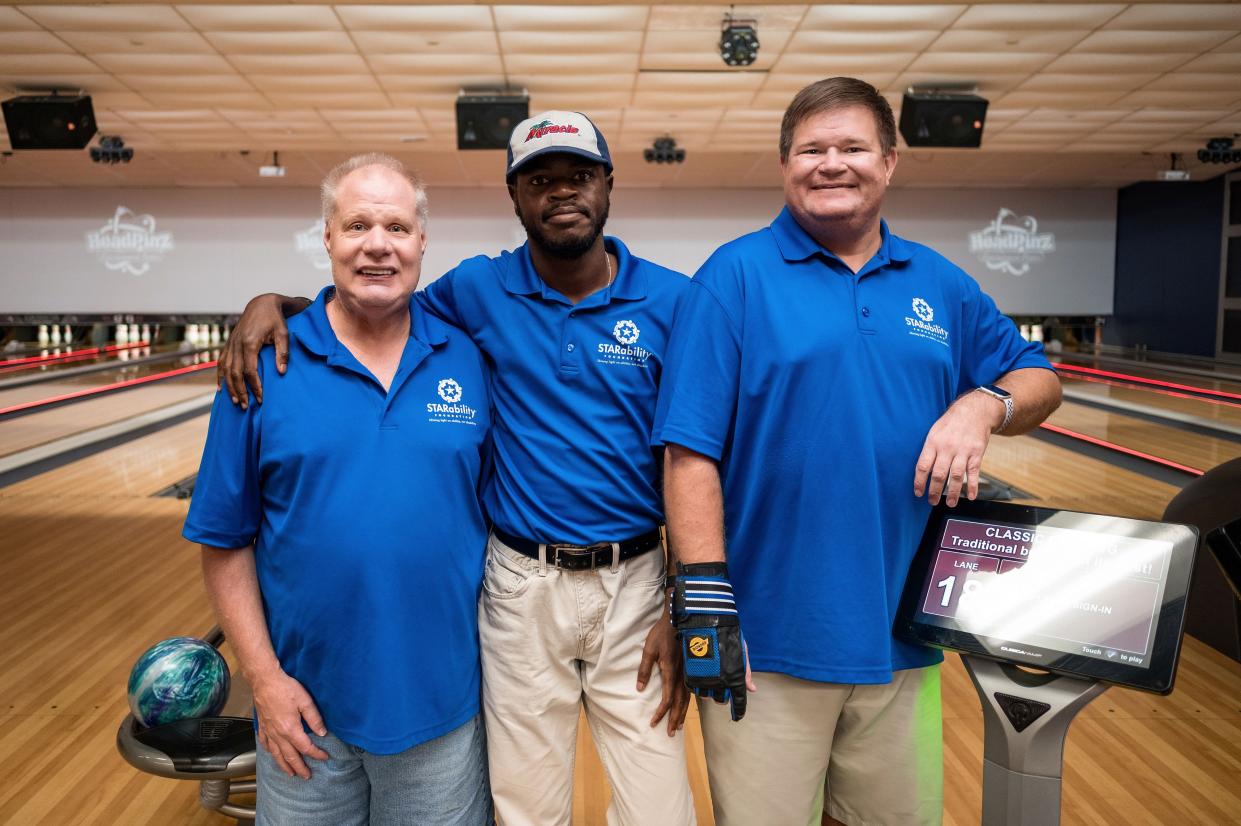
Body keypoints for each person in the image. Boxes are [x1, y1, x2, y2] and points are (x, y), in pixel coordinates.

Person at [217, 113, 696, 826]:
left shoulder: (674, 302)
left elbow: (693, 457)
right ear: (513, 194)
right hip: (520, 585)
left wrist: (680, 600)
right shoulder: (474, 291)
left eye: (578, 176)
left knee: (662, 809)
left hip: (637, 583)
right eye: (540, 179)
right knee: (525, 810)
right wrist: (274, 304)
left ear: (607, 184)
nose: (561, 192)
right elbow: (373, 302)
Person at [655, 77, 1063, 826]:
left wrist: (984, 403)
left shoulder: (940, 285)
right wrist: (703, 599)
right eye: (811, 149)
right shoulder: (733, 276)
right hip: (769, 642)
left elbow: (1038, 377)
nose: (831, 163)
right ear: (785, 165)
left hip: (904, 635)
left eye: (851, 147)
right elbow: (688, 452)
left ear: (889, 161)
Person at [184, 154, 493, 825]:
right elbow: (222, 539)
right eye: (356, 225)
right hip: (302, 710)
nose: (377, 244)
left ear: (421, 243)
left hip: (442, 707)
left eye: (396, 227)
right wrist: (263, 682)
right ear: (326, 238)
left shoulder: (469, 358)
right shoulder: (261, 370)